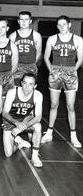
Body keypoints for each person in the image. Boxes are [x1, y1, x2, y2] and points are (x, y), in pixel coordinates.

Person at [41, 15, 83, 148]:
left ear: (69, 25)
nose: (61, 27)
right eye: (59, 25)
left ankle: (73, 135)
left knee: (70, 106)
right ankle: (49, 133)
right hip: (55, 73)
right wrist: (51, 70)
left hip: (70, 73)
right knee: (54, 105)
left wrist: (74, 70)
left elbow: (81, 58)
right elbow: (46, 57)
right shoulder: (52, 39)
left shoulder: (78, 39)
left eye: (64, 24)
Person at [2, 73, 43, 167]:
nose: (27, 87)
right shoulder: (12, 92)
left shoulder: (38, 95)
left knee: (38, 126)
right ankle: (19, 143)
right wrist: (16, 123)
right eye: (25, 83)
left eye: (30, 84)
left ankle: (35, 156)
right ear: (21, 83)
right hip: (11, 121)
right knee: (8, 154)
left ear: (35, 86)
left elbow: (38, 117)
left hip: (26, 121)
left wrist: (21, 127)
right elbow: (4, 113)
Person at [9, 11, 42, 86]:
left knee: (29, 91)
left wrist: (32, 64)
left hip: (31, 67)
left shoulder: (36, 36)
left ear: (30, 21)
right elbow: (10, 54)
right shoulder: (12, 36)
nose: (24, 22)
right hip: (17, 67)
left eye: (26, 19)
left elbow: (38, 53)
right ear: (18, 21)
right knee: (16, 90)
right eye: (21, 19)